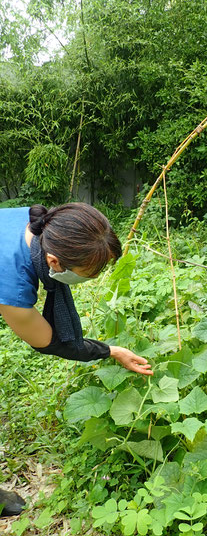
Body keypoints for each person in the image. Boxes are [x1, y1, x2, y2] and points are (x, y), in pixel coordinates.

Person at [0, 203, 153, 516]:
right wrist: (112, 351)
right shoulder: (12, 285)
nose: (93, 279)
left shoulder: (40, 223)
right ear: (54, 262)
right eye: (89, 275)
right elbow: (51, 342)